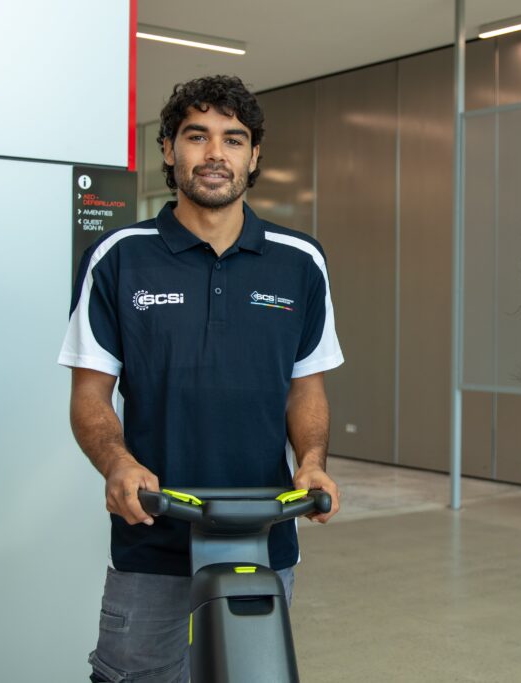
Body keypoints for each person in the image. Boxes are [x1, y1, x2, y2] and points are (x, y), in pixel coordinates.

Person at [58, 74, 344, 683]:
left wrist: (312, 460)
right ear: (168, 149)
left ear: (255, 155)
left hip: (263, 537)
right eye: (198, 136)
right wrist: (117, 464)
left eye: (234, 140)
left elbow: (306, 387)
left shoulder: (301, 263)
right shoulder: (119, 257)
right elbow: (90, 396)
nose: (216, 154)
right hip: (153, 537)